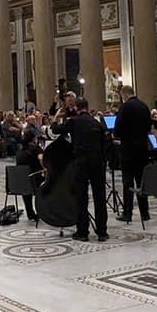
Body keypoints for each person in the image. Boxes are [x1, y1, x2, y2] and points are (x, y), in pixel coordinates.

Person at [51, 98, 109, 242]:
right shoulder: (97, 123)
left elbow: (55, 130)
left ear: (76, 108)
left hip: (81, 162)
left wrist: (56, 118)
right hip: (97, 162)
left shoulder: (74, 121)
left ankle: (82, 232)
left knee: (81, 197)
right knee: (99, 196)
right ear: (87, 107)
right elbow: (105, 145)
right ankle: (102, 232)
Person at [113, 85, 153, 223]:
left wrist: (118, 135)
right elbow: (148, 126)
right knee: (141, 180)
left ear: (124, 95)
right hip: (142, 148)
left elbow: (118, 128)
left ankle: (127, 213)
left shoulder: (125, 107)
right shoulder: (144, 106)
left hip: (128, 148)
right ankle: (145, 212)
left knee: (128, 182)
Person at [15, 131, 43, 221]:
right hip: (34, 179)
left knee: (26, 187)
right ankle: (45, 211)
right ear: (34, 139)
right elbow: (41, 158)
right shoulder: (36, 148)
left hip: (21, 181)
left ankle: (30, 212)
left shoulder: (20, 149)